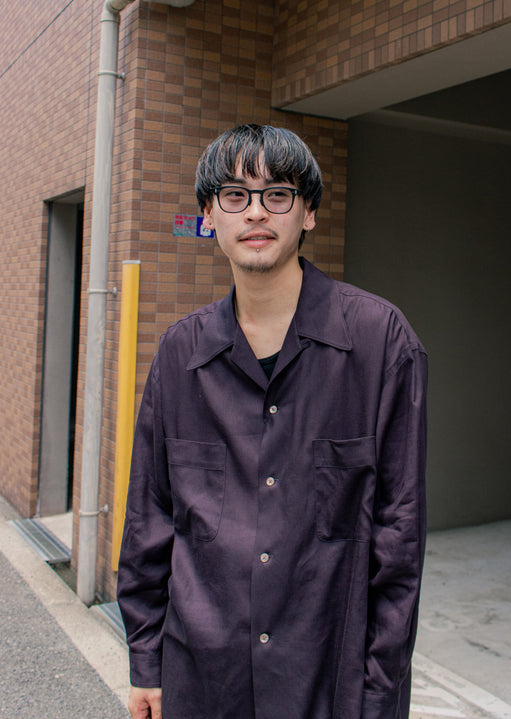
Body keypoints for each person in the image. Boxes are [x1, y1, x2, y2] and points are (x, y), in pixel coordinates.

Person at [117, 123, 428, 719]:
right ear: (209, 215)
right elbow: (149, 521)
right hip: (203, 678)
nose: (256, 212)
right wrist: (147, 662)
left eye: (278, 194)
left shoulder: (380, 342)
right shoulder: (181, 354)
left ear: (308, 213)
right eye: (235, 195)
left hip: (331, 683)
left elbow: (400, 536)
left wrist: (379, 691)